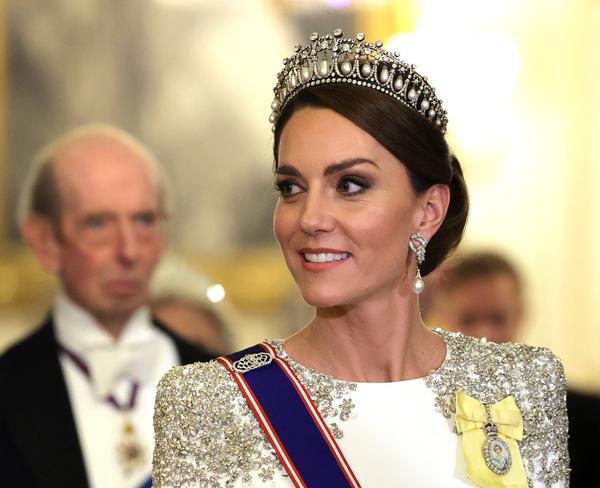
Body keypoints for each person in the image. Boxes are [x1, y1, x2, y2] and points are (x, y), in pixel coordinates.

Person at [153, 29, 569, 487]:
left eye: (350, 185)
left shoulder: (523, 383)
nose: (309, 218)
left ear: (428, 210)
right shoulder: (210, 402)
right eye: (291, 187)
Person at [0, 124, 211, 488]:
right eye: (98, 224)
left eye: (144, 221)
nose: (129, 251)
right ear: (45, 241)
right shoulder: (7, 392)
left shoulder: (222, 382)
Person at [426, 250, 600, 488]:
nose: (484, 335)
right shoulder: (427, 410)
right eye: (468, 319)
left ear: (521, 314)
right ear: (441, 318)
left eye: (497, 318)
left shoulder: (586, 414)